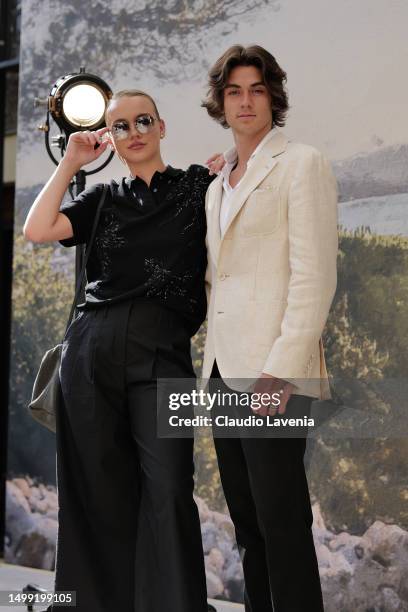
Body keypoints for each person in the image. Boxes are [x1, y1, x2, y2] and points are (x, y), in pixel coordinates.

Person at [23, 89, 221, 612]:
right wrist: (70, 160)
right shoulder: (103, 199)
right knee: (95, 495)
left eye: (143, 121)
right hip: (90, 351)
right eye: (121, 127)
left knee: (171, 489)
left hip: (163, 352)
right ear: (110, 137)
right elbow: (37, 228)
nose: (133, 133)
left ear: (161, 127)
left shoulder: (198, 185)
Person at [201, 45, 338, 611]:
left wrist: (279, 371)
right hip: (219, 372)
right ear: (221, 101)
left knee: (282, 524)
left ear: (273, 96)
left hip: (271, 375)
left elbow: (314, 278)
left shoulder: (301, 162)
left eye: (256, 89)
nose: (245, 100)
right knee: (248, 526)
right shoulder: (217, 183)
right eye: (234, 91)